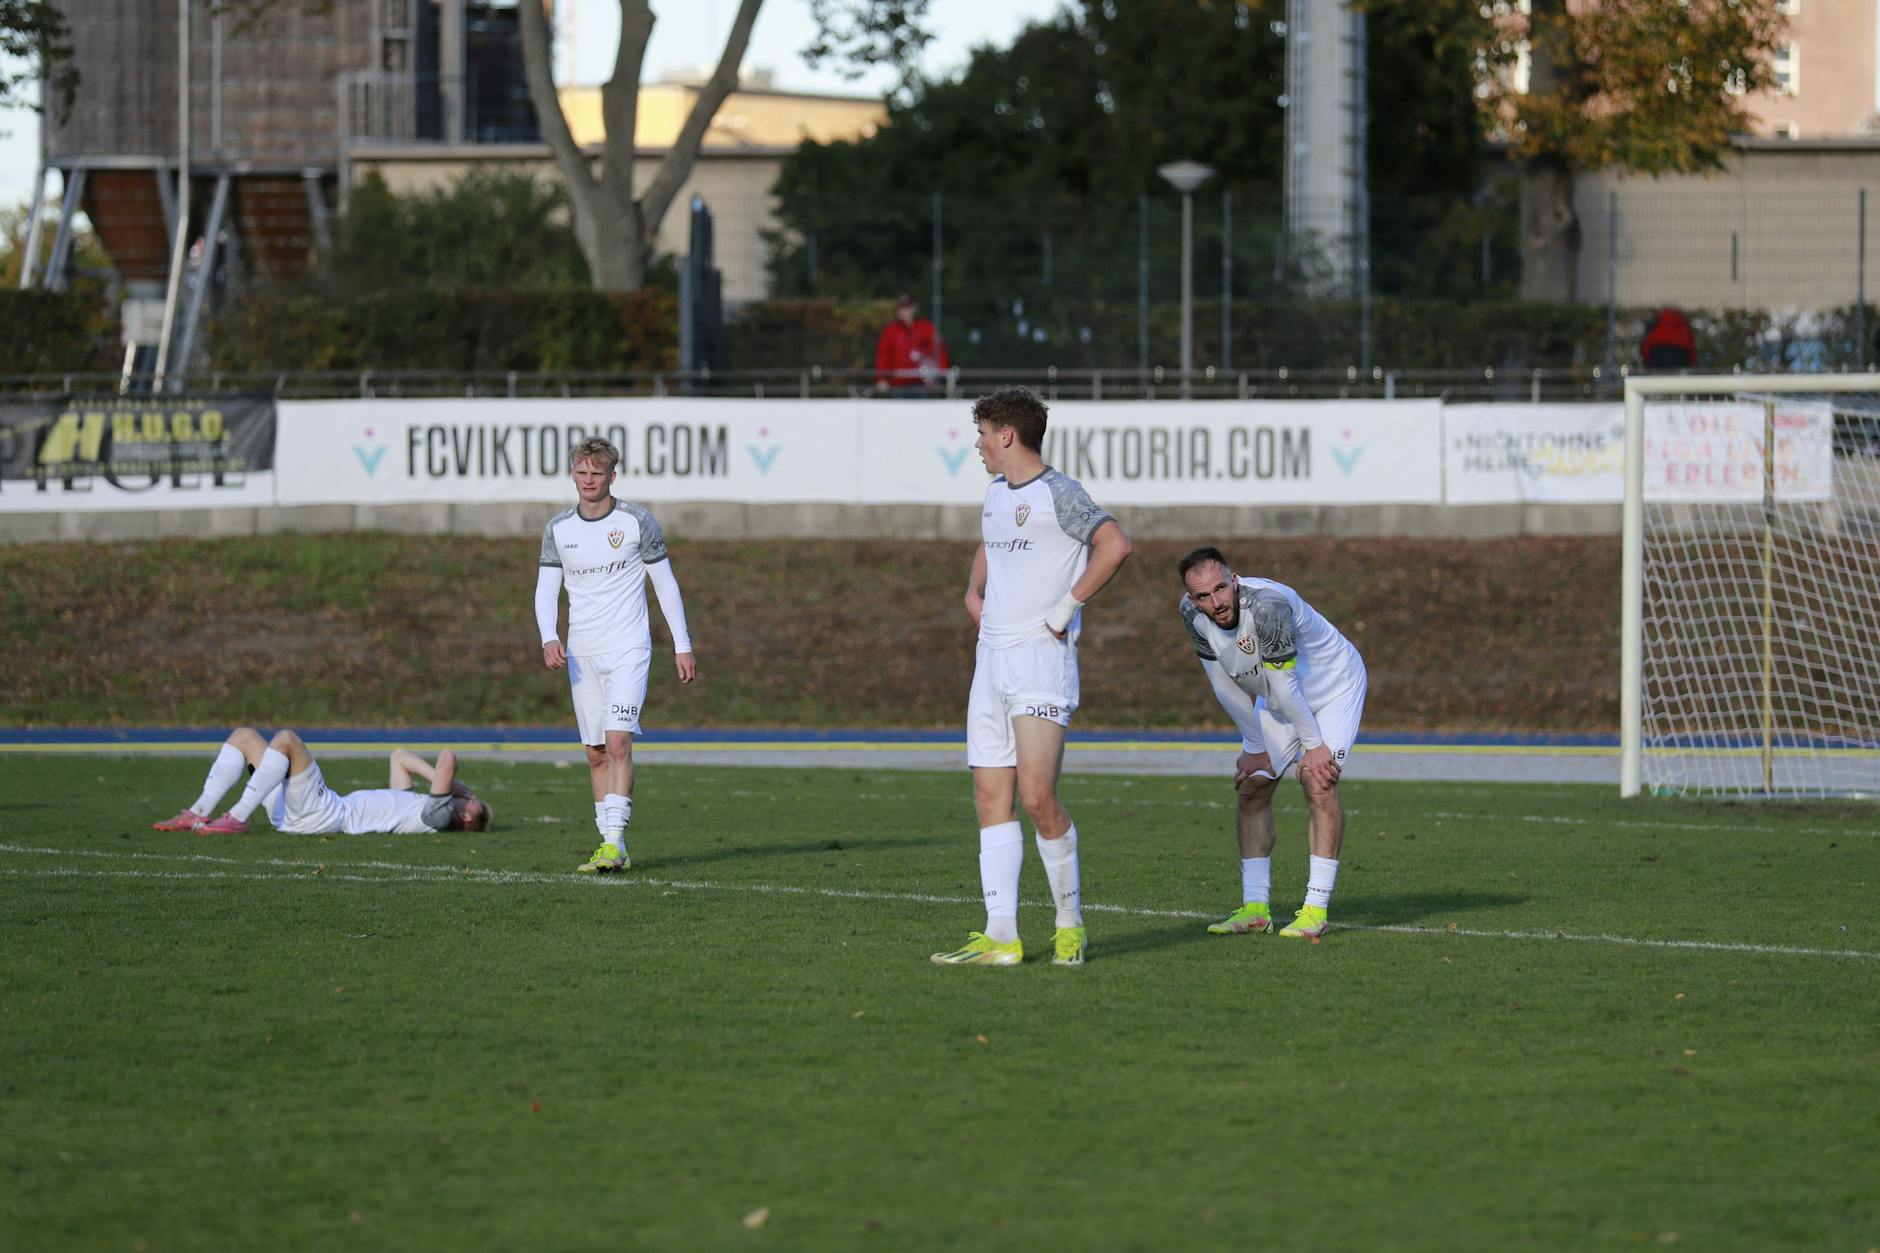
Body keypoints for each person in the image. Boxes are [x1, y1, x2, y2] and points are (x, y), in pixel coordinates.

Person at [932, 386, 1132, 968]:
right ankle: (1002, 936)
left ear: (1007, 435)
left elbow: (1115, 545)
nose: (977, 445)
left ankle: (1069, 925)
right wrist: (975, 595)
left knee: (1038, 797)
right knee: (990, 795)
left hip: (1040, 663)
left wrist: (1066, 610)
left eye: (983, 433)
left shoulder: (1060, 494)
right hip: (990, 662)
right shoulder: (996, 494)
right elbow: (991, 549)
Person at [1176, 547, 1367, 941]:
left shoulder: (1267, 607)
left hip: (1333, 688)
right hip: (1281, 695)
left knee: (1318, 780)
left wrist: (1314, 746)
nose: (1215, 602)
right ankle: (1256, 909)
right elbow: (1223, 683)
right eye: (1203, 596)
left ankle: (1315, 910)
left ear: (1235, 580)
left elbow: (1285, 682)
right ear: (1192, 598)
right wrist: (1253, 745)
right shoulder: (1193, 615)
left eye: (1220, 589)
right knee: (1253, 783)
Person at [535, 436, 697, 874]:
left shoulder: (636, 521)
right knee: (594, 753)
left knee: (618, 741)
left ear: (612, 476)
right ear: (574, 473)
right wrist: (549, 637)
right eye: (582, 472)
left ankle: (612, 843)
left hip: (628, 647)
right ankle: (612, 847)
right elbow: (547, 589)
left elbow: (666, 585)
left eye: (597, 473)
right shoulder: (558, 530)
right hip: (581, 652)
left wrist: (682, 645)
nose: (589, 480)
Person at [152, 729, 490, 835]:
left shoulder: (437, 815)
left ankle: (236, 818)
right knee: (244, 737)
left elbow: (447, 756)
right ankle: (197, 812)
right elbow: (398, 756)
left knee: (286, 739)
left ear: (465, 816)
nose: (471, 795)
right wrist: (443, 786)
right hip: (299, 813)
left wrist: (452, 787)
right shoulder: (414, 806)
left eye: (474, 801)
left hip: (324, 814)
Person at [873, 294, 950, 397]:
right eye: (902, 309)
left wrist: (940, 371)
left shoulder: (926, 327)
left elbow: (939, 350)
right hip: (898, 384)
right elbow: (883, 355)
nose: (905, 312)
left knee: (924, 410)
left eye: (908, 308)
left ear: (914, 309)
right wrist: (881, 378)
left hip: (923, 383)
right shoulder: (890, 331)